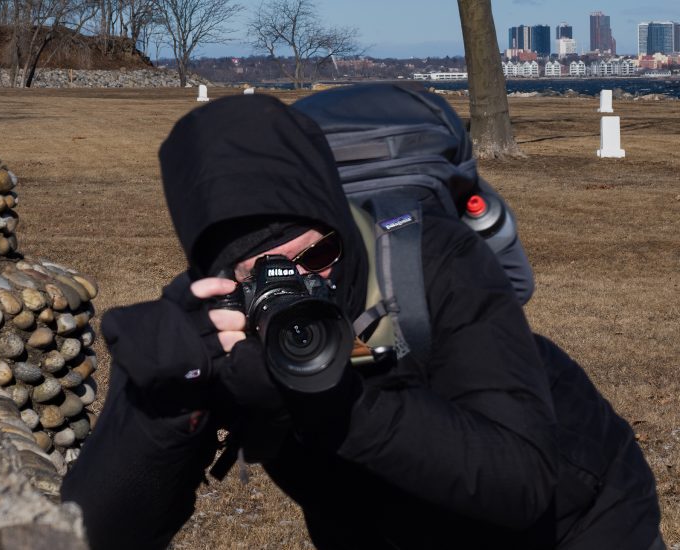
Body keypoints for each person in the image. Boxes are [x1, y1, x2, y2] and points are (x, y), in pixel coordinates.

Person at [61, 93, 663, 550]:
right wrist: (157, 413)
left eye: (317, 258)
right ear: (219, 280)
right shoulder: (206, 323)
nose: (300, 288)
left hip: (580, 511)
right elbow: (95, 536)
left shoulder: (434, 261)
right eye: (258, 278)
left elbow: (523, 482)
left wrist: (333, 403)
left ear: (339, 229)